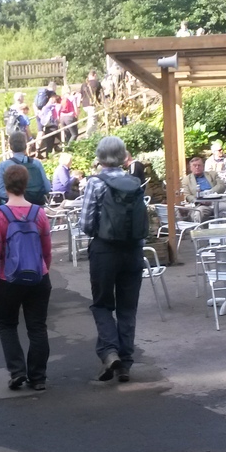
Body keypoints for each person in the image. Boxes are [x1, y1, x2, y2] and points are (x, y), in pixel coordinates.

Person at [80, 136, 148, 382]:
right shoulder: (134, 182)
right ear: (123, 156)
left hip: (104, 251)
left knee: (102, 304)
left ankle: (110, 352)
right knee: (128, 308)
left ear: (100, 157)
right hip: (133, 251)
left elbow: (86, 224)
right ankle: (125, 364)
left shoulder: (95, 183)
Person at [0, 164, 53, 391]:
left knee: (6, 324)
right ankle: (38, 377)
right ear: (25, 184)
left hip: (8, 279)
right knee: (37, 327)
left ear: (5, 186)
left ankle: (17, 371)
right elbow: (47, 249)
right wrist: (44, 271)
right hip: (38, 277)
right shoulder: (39, 213)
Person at [0, 131, 51, 206]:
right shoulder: (36, 164)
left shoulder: (3, 166)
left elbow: (0, 192)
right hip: (36, 207)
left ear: (10, 147)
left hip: (14, 209)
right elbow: (47, 188)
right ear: (25, 146)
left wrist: (16, 196)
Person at [181, 156, 226, 221]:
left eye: (199, 165)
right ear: (190, 168)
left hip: (216, 202)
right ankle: (199, 230)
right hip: (201, 205)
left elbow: (222, 185)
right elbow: (187, 196)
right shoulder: (186, 180)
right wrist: (199, 200)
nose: (197, 167)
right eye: (194, 165)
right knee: (198, 213)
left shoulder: (212, 174)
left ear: (203, 166)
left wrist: (209, 193)